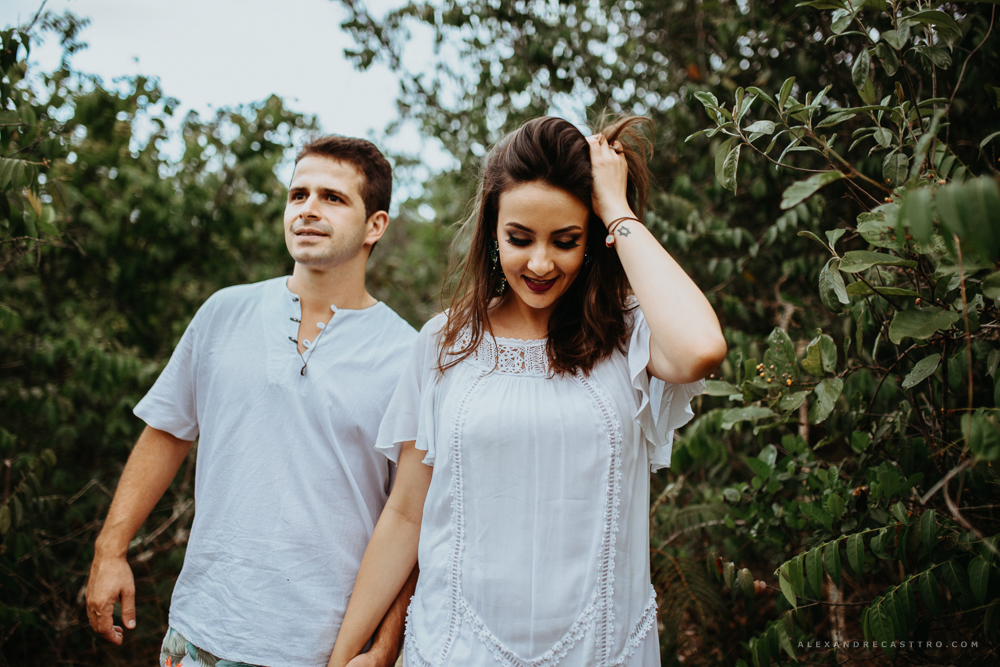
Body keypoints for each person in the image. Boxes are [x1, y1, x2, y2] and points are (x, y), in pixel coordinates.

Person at [327, 116, 728, 667]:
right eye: (520, 238)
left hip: (601, 653)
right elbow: (405, 514)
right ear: (492, 230)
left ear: (594, 241)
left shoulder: (631, 335)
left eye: (566, 241)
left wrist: (617, 206)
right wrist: (348, 653)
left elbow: (701, 348)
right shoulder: (446, 343)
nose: (540, 264)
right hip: (452, 651)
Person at [86, 135, 419, 667]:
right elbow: (168, 432)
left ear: (374, 226)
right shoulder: (223, 312)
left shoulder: (410, 355)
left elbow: (410, 512)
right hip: (202, 634)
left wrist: (385, 643)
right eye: (298, 195)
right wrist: (111, 548)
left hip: (323, 649)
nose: (308, 210)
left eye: (332, 198)